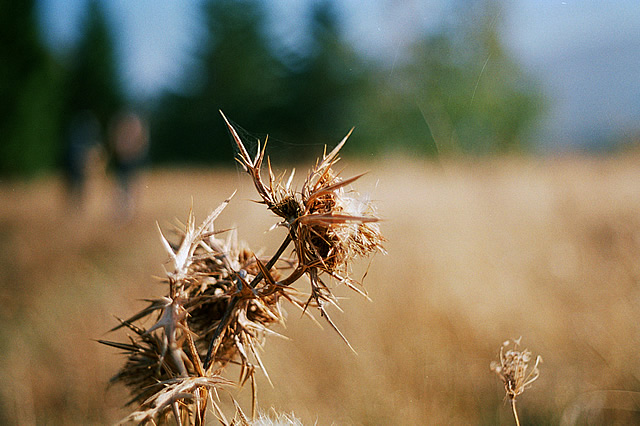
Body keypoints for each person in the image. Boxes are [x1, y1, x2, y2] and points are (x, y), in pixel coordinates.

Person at [110, 111, 149, 222]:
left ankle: (128, 212)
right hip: (125, 161)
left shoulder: (127, 131)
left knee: (129, 186)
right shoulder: (132, 130)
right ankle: (124, 211)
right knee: (123, 186)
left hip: (130, 161)